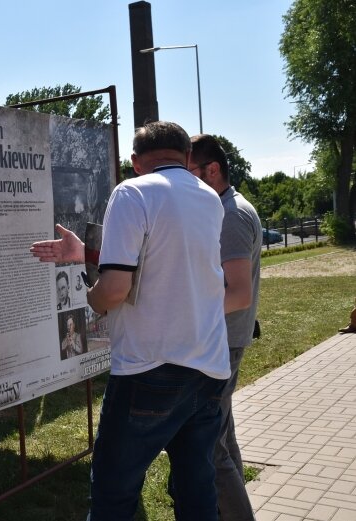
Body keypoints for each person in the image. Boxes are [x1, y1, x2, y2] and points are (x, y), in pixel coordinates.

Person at [31, 121, 230, 520]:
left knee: (113, 496)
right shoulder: (209, 199)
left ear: (136, 162)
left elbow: (116, 290)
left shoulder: (131, 192)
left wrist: (93, 298)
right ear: (187, 158)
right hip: (208, 365)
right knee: (196, 491)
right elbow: (166, 262)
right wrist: (87, 254)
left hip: (149, 367)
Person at [184, 134, 261, 520]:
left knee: (209, 447)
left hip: (223, 343)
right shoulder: (228, 208)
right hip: (226, 340)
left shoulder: (231, 214)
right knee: (224, 440)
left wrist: (190, 313)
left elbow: (240, 293)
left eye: (191, 173)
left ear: (212, 169)